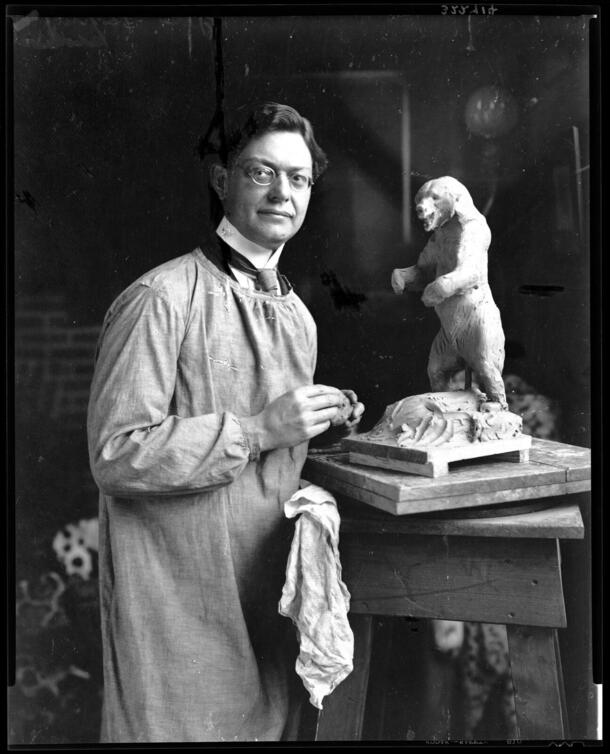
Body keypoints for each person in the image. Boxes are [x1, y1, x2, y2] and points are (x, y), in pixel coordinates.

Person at [87, 101, 364, 743]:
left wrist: (321, 423)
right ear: (222, 181)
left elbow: (273, 449)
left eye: (297, 179)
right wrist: (261, 430)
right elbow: (115, 453)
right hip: (181, 610)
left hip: (266, 599)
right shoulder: (161, 298)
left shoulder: (298, 316)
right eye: (261, 173)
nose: (282, 193)